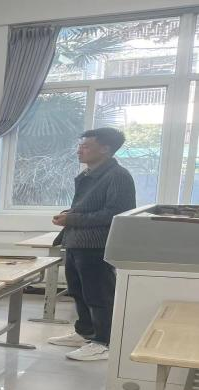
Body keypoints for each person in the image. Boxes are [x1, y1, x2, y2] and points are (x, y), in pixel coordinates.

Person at [48, 128, 136, 361]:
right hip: (76, 242)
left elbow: (116, 213)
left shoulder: (118, 176)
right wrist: (69, 214)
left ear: (105, 149)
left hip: (96, 245)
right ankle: (85, 332)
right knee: (78, 291)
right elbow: (89, 207)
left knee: (98, 294)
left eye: (86, 146)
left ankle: (103, 342)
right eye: (80, 146)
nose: (79, 150)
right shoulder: (89, 174)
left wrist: (72, 219)